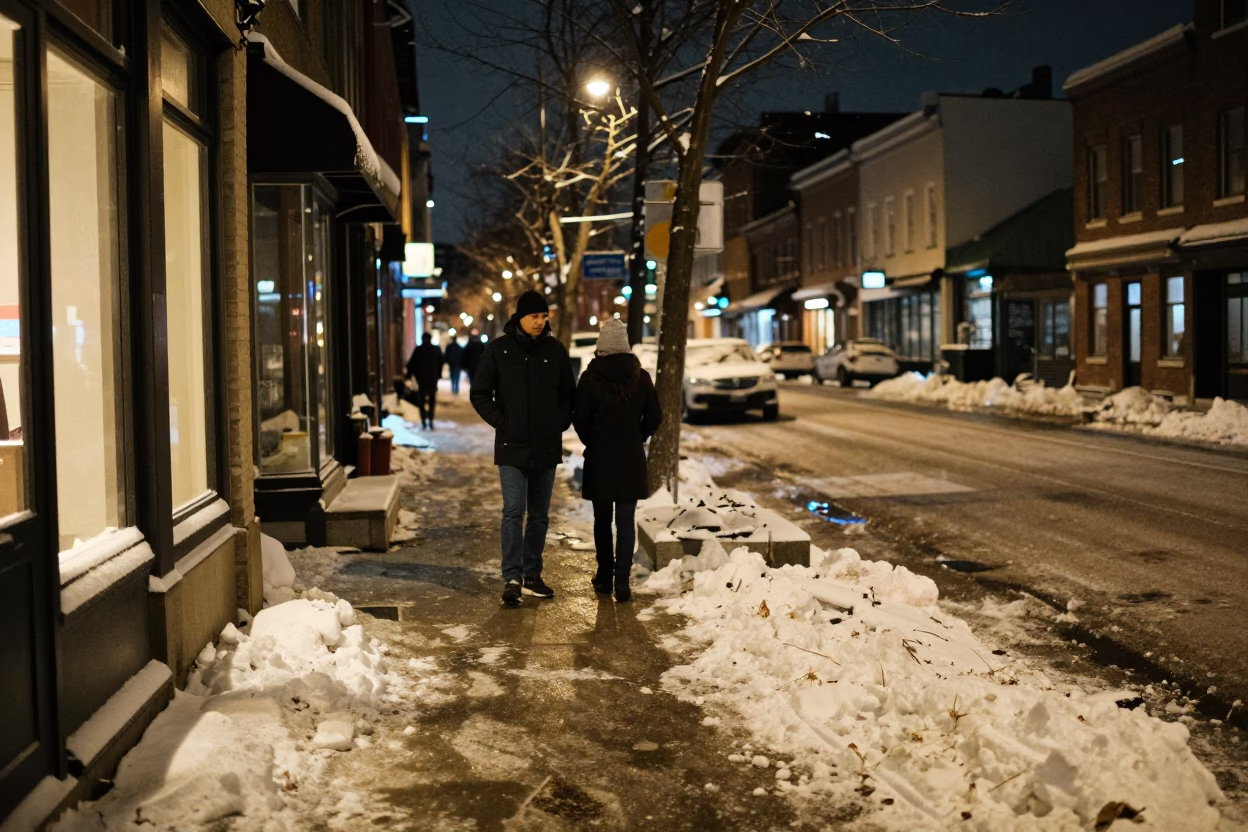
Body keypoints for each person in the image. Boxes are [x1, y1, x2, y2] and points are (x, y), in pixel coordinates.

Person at [470, 291, 575, 606]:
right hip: (511, 445)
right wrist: (502, 422)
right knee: (514, 511)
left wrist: (559, 422)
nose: (540, 323)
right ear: (520, 318)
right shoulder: (499, 350)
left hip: (545, 445)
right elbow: (480, 393)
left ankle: (532, 574)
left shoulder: (555, 351)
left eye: (544, 317)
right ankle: (512, 577)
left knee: (540, 514)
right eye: (534, 317)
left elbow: (568, 395)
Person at [572, 319, 661, 602]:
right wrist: (639, 436)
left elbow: (580, 418)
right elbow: (655, 416)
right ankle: (622, 581)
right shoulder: (641, 377)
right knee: (626, 520)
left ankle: (603, 577)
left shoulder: (589, 378)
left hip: (600, 458)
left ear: (601, 347)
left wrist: (593, 441)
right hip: (630, 458)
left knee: (601, 520)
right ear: (625, 346)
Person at [406, 332, 444, 429]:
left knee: (422, 401)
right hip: (432, 379)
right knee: (431, 400)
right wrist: (438, 375)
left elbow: (411, 364)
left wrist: (410, 375)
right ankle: (430, 420)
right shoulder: (435, 349)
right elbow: (441, 362)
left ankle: (424, 420)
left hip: (422, 380)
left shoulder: (419, 350)